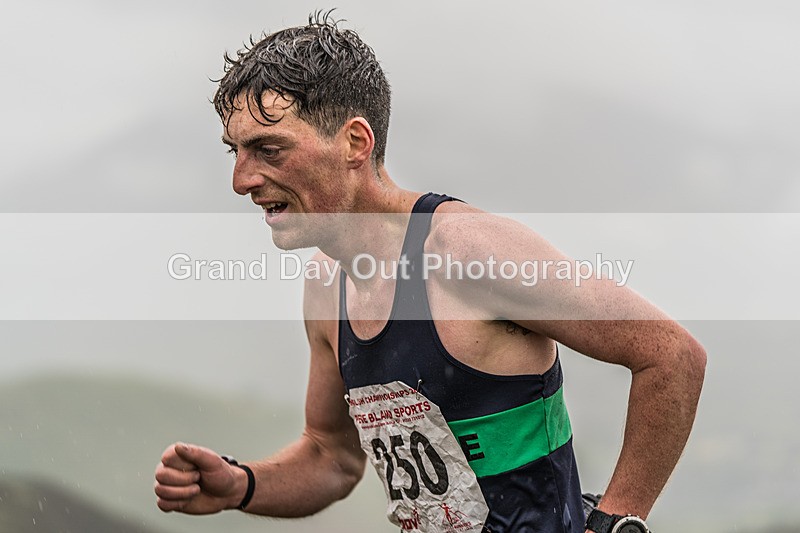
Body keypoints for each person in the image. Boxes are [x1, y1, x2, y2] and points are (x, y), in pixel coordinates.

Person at [154, 12, 706, 533]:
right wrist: (240, 486)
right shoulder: (327, 285)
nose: (241, 180)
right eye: (235, 151)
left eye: (267, 149)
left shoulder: (466, 251)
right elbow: (331, 456)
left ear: (354, 143)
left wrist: (618, 520)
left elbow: (671, 355)